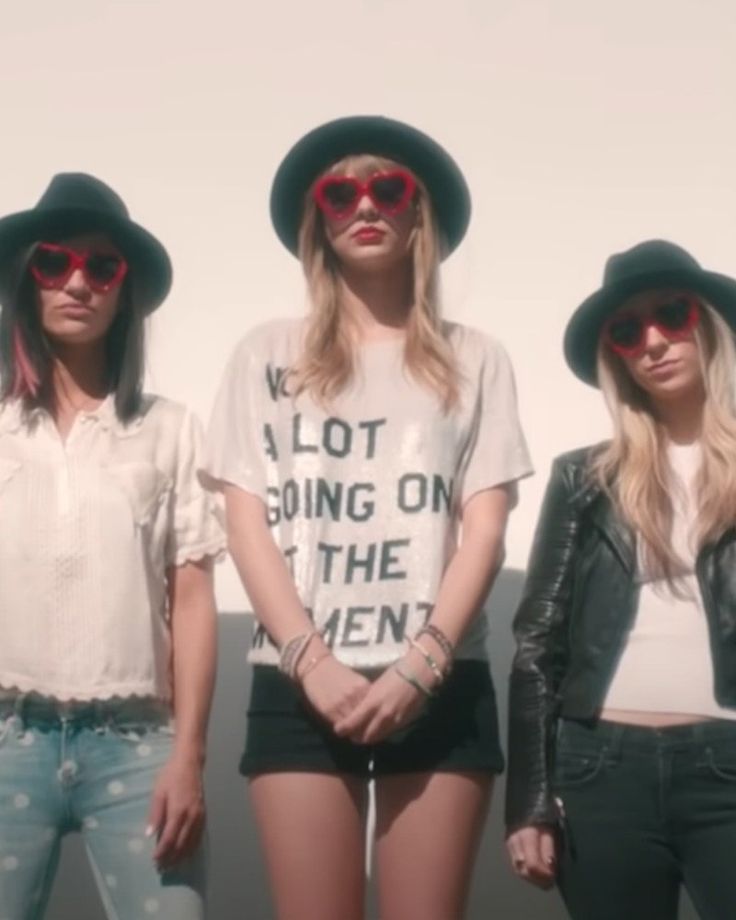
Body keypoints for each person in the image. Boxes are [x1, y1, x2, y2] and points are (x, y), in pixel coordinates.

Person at [204, 115, 533, 920]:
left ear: (419, 214)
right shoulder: (264, 354)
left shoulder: (475, 356)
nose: (366, 206)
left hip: (441, 679)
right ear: (319, 216)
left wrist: (420, 665)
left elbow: (484, 529)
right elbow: (245, 523)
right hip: (296, 678)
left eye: (389, 188)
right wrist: (311, 661)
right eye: (341, 190)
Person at [0, 173, 224, 919]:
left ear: (125, 291)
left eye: (102, 266)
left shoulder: (169, 428)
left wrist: (188, 757)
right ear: (25, 279)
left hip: (136, 745)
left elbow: (191, 599)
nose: (77, 282)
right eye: (53, 261)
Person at [506, 239, 736, 920]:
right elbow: (536, 640)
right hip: (600, 766)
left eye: (672, 314)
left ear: (710, 325)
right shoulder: (585, 478)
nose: (654, 341)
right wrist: (530, 801)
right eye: (628, 330)